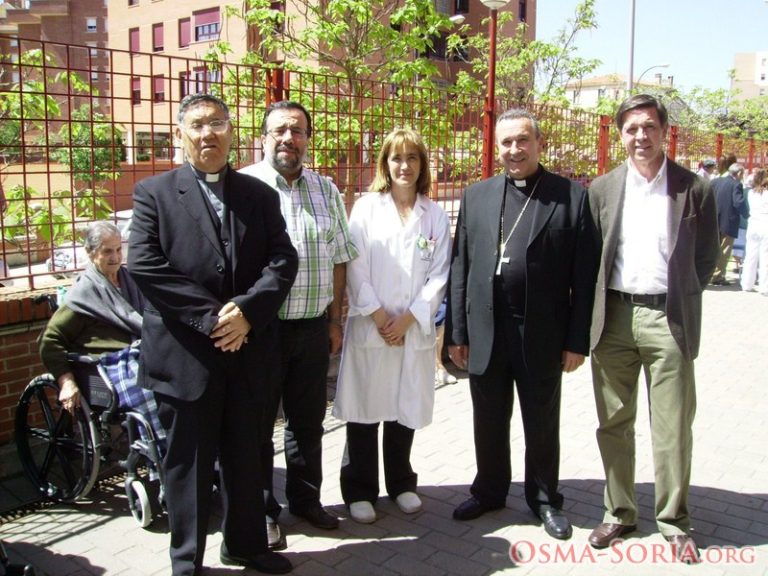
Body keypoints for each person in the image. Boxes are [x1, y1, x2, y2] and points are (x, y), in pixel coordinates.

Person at [128, 93, 298, 576]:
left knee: (247, 458)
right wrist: (215, 319)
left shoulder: (259, 194)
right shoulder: (154, 194)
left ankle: (245, 546)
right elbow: (144, 265)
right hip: (186, 357)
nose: (209, 133)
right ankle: (187, 562)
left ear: (231, 131)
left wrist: (247, 313)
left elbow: (283, 259)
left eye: (218, 123)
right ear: (180, 134)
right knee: (189, 467)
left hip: (248, 353)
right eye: (198, 124)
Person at [447, 108, 597, 540]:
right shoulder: (476, 196)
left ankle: (545, 499)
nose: (514, 149)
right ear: (497, 146)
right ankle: (489, 491)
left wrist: (577, 341)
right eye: (507, 142)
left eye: (523, 140)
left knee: (541, 423)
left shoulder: (571, 198)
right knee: (488, 419)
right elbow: (460, 267)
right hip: (486, 331)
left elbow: (585, 277)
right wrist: (457, 333)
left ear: (539, 143)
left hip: (542, 334)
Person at [587, 94, 720, 563]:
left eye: (649, 127)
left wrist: (681, 295)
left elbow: (707, 257)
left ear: (664, 131)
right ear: (620, 135)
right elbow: (593, 257)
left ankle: (674, 521)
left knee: (673, 426)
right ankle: (619, 511)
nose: (640, 136)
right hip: (614, 319)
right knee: (613, 423)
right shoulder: (602, 189)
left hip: (669, 319)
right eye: (631, 129)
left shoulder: (693, 188)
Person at [240, 101, 357, 543]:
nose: (289, 138)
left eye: (298, 130)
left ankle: (306, 501)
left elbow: (340, 257)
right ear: (264, 137)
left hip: (312, 327)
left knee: (308, 423)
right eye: (280, 130)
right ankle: (262, 512)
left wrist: (334, 320)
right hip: (261, 332)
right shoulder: (244, 187)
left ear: (308, 138)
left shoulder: (325, 190)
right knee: (257, 427)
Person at [332, 128, 451, 524]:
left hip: (411, 330)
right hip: (373, 327)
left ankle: (401, 483)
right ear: (385, 163)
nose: (404, 165)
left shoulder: (434, 215)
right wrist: (382, 318)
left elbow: (439, 274)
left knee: (404, 408)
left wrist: (408, 319)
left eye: (412, 157)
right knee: (364, 411)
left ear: (422, 164)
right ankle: (359, 490)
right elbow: (355, 266)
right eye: (396, 158)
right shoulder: (367, 208)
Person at [39, 221, 147, 415]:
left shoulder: (131, 281)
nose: (115, 257)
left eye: (118, 250)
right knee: (152, 392)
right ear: (90, 252)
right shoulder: (84, 293)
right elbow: (49, 340)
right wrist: (66, 381)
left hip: (141, 353)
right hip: (108, 367)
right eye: (107, 251)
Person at [711, 163, 749, 285]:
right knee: (724, 250)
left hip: (713, 221)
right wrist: (747, 215)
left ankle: (708, 274)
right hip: (728, 223)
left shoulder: (715, 181)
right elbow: (738, 202)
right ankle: (717, 276)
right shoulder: (736, 184)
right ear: (739, 173)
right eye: (742, 174)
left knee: (712, 249)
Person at [741, 168, 768, 294]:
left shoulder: (751, 193)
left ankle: (746, 283)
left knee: (750, 255)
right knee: (765, 257)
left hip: (753, 224)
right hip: (765, 224)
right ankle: (764, 286)